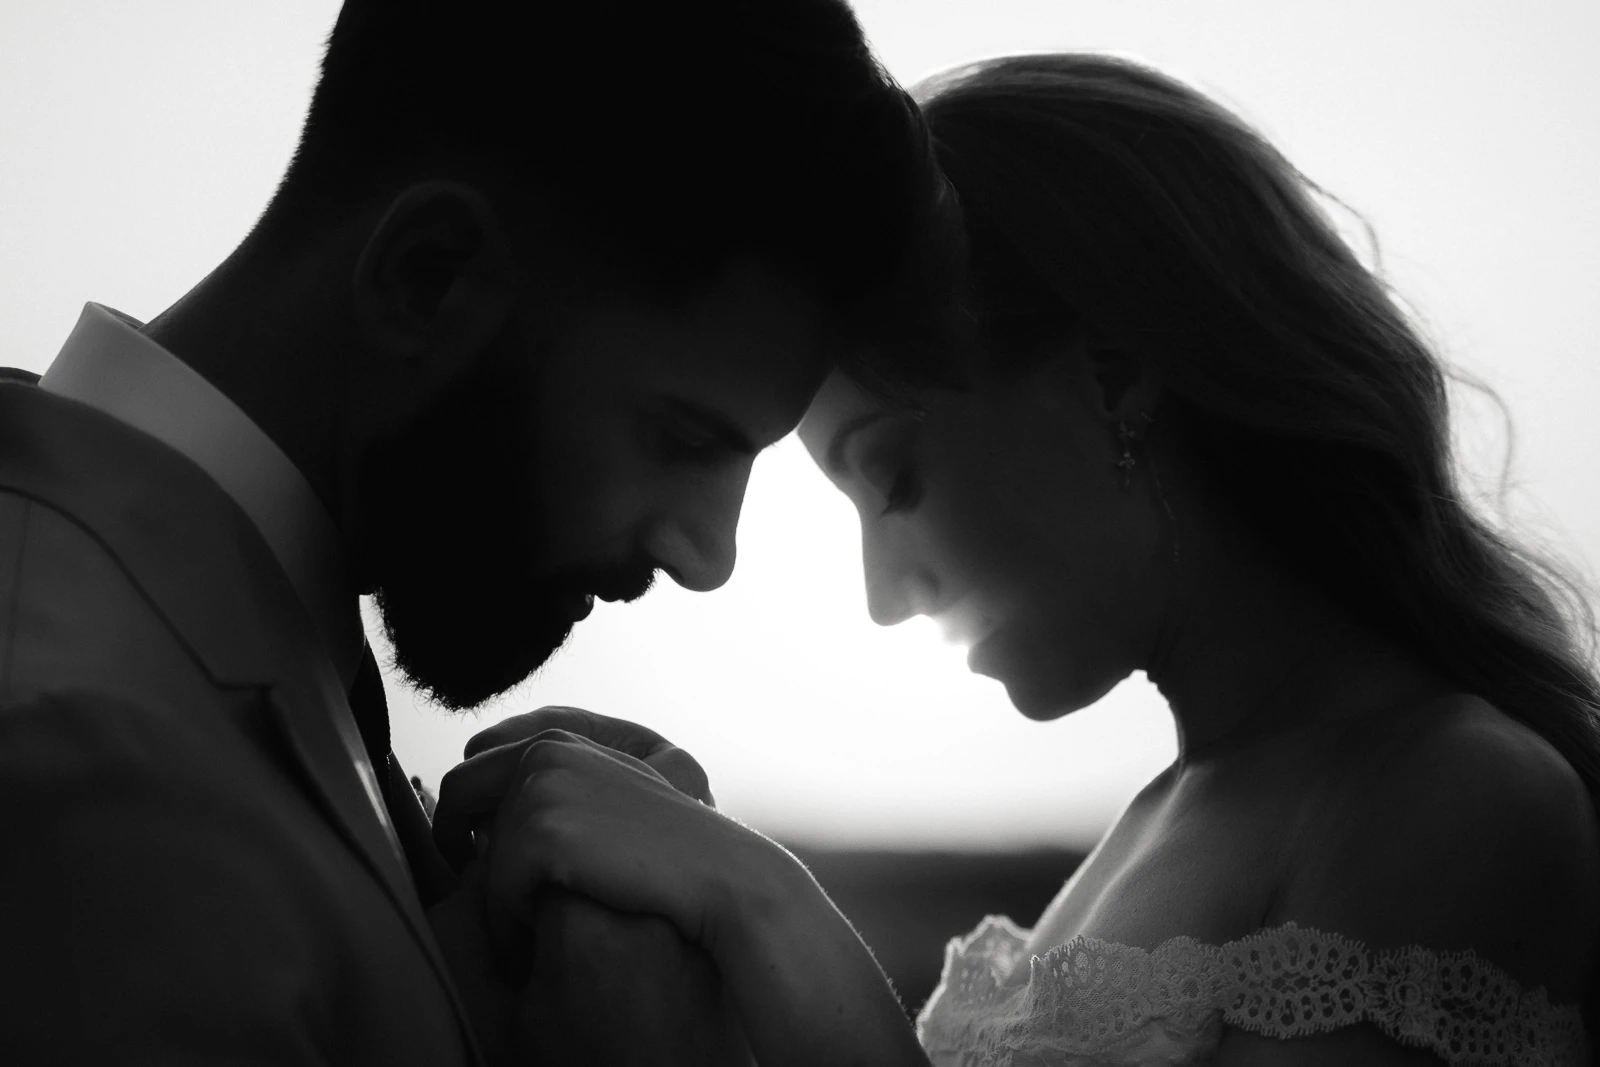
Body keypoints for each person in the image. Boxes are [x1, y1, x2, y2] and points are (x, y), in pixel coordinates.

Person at [453, 54, 1600, 1065]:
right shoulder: (1172, 814)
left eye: (894, 475)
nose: (884, 595)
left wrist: (762, 906)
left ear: (1114, 377)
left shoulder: (1458, 792)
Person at [0, 0, 965, 1063]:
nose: (708, 558)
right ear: (430, 276)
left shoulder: (220, 639)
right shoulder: (82, 755)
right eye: (682, 438)